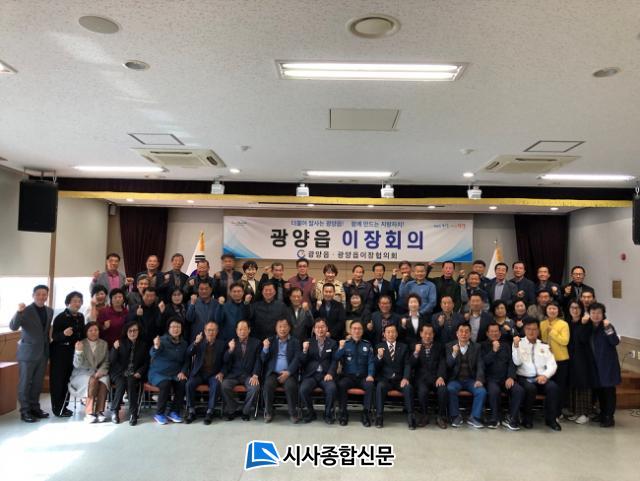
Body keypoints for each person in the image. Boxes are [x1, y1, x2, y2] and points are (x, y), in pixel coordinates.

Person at [10, 285, 53, 423]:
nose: (41, 296)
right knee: (25, 383)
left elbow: (45, 332)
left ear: (47, 296)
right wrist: (18, 312)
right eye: (38, 294)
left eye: (44, 294)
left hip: (43, 353)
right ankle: (25, 411)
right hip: (27, 353)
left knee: (37, 383)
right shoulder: (25, 310)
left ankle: (35, 408)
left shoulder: (49, 311)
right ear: (33, 295)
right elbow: (13, 326)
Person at [512, 320, 561, 430]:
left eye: (534, 329)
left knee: (553, 387)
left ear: (538, 331)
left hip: (541, 377)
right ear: (524, 330)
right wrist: (516, 346)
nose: (531, 332)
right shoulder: (519, 343)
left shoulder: (544, 345)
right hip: (524, 377)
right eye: (528, 329)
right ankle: (527, 419)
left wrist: (545, 376)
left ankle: (551, 420)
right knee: (530, 388)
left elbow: (552, 364)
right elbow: (517, 362)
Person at [481, 323, 524, 430]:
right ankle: (494, 419)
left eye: (496, 331)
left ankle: (511, 418)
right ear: (487, 333)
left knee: (518, 390)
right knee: (494, 391)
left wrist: (511, 377)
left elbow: (512, 363)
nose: (494, 333)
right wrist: (493, 351)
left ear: (500, 333)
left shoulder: (506, 345)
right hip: (491, 379)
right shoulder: (482, 346)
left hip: (506, 378)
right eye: (492, 331)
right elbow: (483, 363)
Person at [49, 291, 85, 417]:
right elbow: (55, 337)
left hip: (73, 353)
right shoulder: (60, 317)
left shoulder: (80, 316)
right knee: (58, 381)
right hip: (60, 353)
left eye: (79, 301)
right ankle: (57, 409)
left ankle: (64, 407)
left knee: (68, 380)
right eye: (74, 301)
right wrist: (64, 334)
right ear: (68, 303)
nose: (77, 304)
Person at [148, 320, 189, 425]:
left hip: (175, 374)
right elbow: (153, 353)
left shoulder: (184, 343)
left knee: (183, 382)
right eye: (173, 327)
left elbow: (186, 361)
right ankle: (159, 413)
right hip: (159, 373)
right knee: (165, 384)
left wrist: (183, 372)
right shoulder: (162, 340)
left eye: (178, 327)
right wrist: (156, 346)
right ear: (168, 329)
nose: (176, 329)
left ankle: (174, 412)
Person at [374, 324, 415, 429]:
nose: (391, 334)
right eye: (388, 332)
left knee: (408, 388)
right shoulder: (379, 346)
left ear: (396, 334)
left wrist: (405, 378)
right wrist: (379, 356)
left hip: (400, 380)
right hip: (385, 379)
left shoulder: (404, 347)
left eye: (393, 332)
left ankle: (411, 417)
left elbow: (407, 364)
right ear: (384, 334)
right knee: (380, 386)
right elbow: (375, 367)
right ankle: (379, 416)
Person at [335, 320, 375, 427]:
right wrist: (340, 348)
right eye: (354, 329)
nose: (357, 331)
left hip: (363, 377)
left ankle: (365, 414)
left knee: (370, 386)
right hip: (349, 377)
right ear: (350, 331)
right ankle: (343, 413)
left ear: (362, 331)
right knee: (341, 384)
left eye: (359, 329)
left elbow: (371, 362)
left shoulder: (367, 344)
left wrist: (370, 375)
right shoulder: (345, 344)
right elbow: (336, 358)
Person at [445, 323, 486, 428]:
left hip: (470, 380)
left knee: (481, 391)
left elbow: (480, 365)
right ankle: (455, 416)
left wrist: (479, 379)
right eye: (461, 331)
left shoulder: (476, 347)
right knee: (450, 389)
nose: (464, 334)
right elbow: (448, 365)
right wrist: (454, 354)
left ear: (470, 334)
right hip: (455, 379)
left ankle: (474, 417)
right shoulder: (449, 346)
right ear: (457, 333)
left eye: (466, 331)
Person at [261, 318, 301, 423]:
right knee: (268, 385)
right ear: (276, 328)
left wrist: (288, 372)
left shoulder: (295, 342)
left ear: (289, 328)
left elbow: (297, 359)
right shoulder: (270, 341)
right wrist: (265, 348)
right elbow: (263, 359)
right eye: (280, 326)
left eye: (285, 326)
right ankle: (269, 413)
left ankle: (293, 413)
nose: (282, 329)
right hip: (273, 373)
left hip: (289, 373)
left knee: (290, 386)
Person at [185, 321, 226, 425]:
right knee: (189, 384)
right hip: (199, 373)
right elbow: (189, 353)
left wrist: (222, 372)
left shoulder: (222, 344)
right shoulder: (199, 342)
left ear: (217, 331)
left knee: (216, 384)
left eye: (213, 330)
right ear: (204, 331)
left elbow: (226, 362)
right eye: (208, 330)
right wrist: (196, 342)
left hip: (213, 374)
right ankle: (191, 411)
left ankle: (210, 412)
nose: (211, 332)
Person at [299, 318, 338, 424]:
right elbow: (302, 361)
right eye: (317, 327)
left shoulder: (333, 343)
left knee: (331, 388)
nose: (320, 329)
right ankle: (311, 413)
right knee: (303, 389)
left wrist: (330, 373)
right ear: (314, 329)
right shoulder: (308, 342)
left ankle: (327, 414)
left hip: (326, 375)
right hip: (311, 375)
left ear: (327, 328)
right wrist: (304, 350)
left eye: (322, 327)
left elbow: (334, 361)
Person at [109, 320, 148, 425]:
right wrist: (114, 349)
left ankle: (133, 414)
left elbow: (146, 363)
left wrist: (140, 372)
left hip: (134, 373)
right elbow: (112, 361)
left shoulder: (143, 345)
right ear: (126, 332)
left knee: (131, 382)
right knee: (121, 383)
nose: (132, 333)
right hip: (119, 373)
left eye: (135, 330)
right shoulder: (119, 342)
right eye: (130, 331)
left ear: (138, 331)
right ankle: (115, 411)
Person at [70, 322, 110, 423]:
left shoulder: (104, 344)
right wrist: (78, 352)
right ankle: (89, 412)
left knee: (104, 381)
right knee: (92, 381)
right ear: (86, 332)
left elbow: (106, 361)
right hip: (82, 374)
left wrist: (101, 371)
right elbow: (77, 365)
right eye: (90, 330)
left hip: (98, 372)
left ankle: (100, 411)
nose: (93, 332)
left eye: (96, 330)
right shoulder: (81, 343)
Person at [221, 320, 262, 421]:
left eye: (244, 329)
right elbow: (225, 360)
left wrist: (255, 375)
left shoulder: (256, 343)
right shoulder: (232, 342)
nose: (242, 332)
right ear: (236, 331)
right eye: (240, 329)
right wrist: (230, 350)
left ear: (249, 330)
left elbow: (259, 360)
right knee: (224, 385)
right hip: (234, 375)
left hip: (249, 375)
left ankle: (245, 411)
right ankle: (233, 409)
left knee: (255, 388)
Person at [589, 303, 621, 427]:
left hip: (607, 364)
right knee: (600, 391)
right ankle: (602, 413)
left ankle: (609, 417)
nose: (596, 315)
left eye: (598, 313)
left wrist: (608, 328)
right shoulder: (589, 327)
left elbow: (615, 341)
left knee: (608, 391)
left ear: (603, 314)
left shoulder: (607, 326)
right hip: (595, 365)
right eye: (593, 313)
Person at [412, 324, 448, 429]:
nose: (427, 336)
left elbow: (442, 363)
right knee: (422, 391)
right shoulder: (415, 346)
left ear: (433, 334)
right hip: (421, 379)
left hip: (436, 378)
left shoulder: (439, 346)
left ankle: (440, 417)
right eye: (425, 333)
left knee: (443, 390)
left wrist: (441, 376)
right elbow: (411, 364)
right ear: (421, 334)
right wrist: (416, 352)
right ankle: (424, 416)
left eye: (430, 334)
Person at [540, 302, 570, 420]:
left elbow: (564, 341)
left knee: (560, 387)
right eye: (550, 308)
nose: (552, 311)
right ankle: (548, 411)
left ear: (558, 311)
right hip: (546, 361)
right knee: (549, 387)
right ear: (546, 310)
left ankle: (557, 412)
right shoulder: (542, 323)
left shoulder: (563, 324)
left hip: (560, 359)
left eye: (554, 309)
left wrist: (552, 331)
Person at [566, 300, 593, 424]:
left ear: (582, 309)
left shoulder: (586, 322)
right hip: (570, 357)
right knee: (573, 384)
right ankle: (575, 411)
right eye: (572, 307)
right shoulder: (568, 322)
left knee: (583, 384)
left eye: (577, 308)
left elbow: (583, 339)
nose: (575, 310)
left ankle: (584, 413)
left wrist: (582, 324)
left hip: (583, 358)